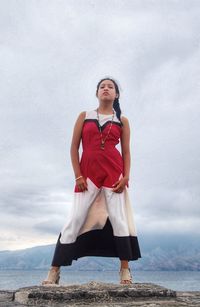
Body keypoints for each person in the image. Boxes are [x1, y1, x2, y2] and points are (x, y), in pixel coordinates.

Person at [42, 77, 141, 286]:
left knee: (119, 219)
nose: (106, 89)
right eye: (102, 86)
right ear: (97, 93)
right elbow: (73, 148)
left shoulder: (122, 120)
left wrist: (126, 176)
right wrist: (78, 175)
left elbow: (126, 152)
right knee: (74, 219)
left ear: (117, 95)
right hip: (87, 176)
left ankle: (124, 270)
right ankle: (54, 270)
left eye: (110, 87)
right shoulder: (84, 116)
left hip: (114, 176)